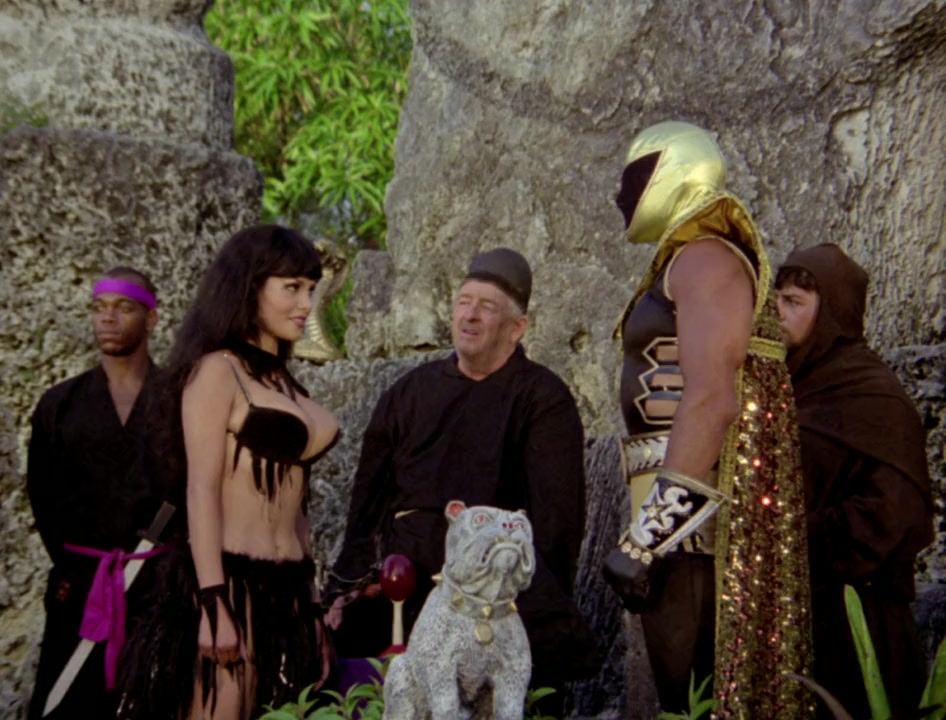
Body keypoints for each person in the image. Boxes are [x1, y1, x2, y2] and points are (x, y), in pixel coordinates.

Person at [326, 247, 599, 711]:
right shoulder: (408, 394)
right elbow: (366, 506)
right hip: (404, 591)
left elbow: (555, 527)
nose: (469, 315)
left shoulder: (543, 400)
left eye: (487, 307)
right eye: (464, 302)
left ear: (517, 328)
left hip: (492, 597)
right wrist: (348, 584)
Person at [605, 120, 812, 717]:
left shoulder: (705, 258)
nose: (620, 195)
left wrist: (647, 538)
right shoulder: (691, 259)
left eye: (632, 177)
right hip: (680, 514)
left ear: (673, 170)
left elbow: (713, 397)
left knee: (695, 698)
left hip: (697, 525)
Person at [116, 225, 339, 720]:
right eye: (292, 288)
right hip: (229, 585)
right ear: (250, 287)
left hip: (290, 593)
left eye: (310, 288)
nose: (306, 303)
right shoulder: (218, 371)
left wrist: (313, 607)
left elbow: (296, 507)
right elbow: (201, 490)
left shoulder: (283, 381)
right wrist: (213, 603)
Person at [775, 243, 934, 719]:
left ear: (832, 314)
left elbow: (898, 513)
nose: (777, 311)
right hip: (793, 610)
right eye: (776, 298)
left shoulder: (876, 399)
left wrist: (793, 534)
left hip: (859, 619)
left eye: (794, 302)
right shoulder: (792, 385)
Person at [26, 267, 164, 719]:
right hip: (82, 589)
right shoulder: (59, 404)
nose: (108, 318)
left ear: (151, 318)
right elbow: (43, 496)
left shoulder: (180, 400)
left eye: (124, 308)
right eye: (99, 308)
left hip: (160, 589)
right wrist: (74, 570)